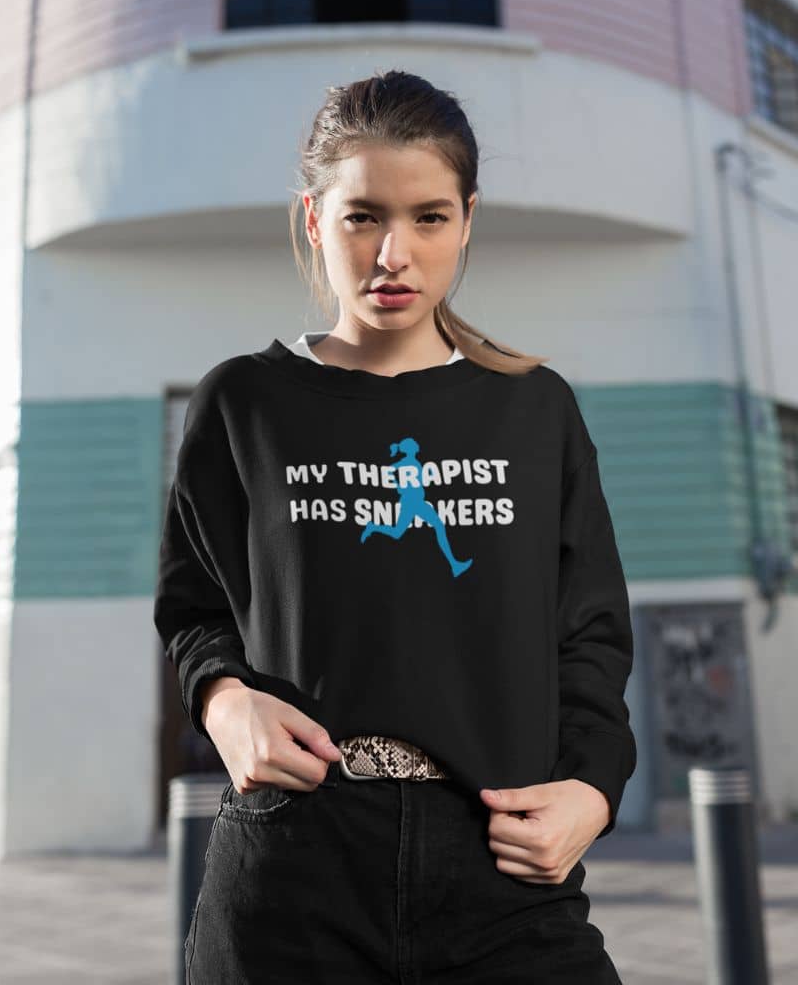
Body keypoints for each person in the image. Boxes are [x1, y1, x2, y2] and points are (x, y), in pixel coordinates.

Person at [154, 69, 636, 983]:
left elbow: (592, 633)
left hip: (500, 867)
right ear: (312, 220)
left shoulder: (533, 409)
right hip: (294, 862)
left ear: (467, 221)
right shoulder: (243, 404)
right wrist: (222, 699)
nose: (393, 255)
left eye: (429, 217)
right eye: (362, 215)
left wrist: (591, 789)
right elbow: (193, 608)